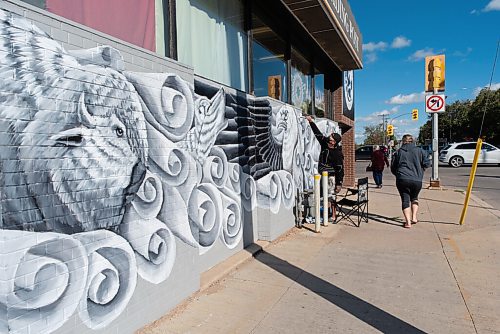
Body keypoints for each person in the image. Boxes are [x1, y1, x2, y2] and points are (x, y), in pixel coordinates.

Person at [306, 115, 344, 222]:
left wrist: (339, 183)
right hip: (321, 174)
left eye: (331, 137)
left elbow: (340, 169)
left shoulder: (337, 153)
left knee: (331, 196)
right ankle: (325, 214)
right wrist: (311, 122)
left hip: (331, 176)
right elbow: (317, 133)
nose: (329, 137)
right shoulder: (325, 144)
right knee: (323, 195)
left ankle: (333, 215)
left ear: (334, 141)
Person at [391, 134, 431, 229]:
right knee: (414, 198)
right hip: (416, 179)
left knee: (405, 200)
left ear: (403, 141)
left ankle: (408, 222)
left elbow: (393, 167)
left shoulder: (398, 152)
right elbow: (427, 163)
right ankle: (414, 217)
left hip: (402, 179)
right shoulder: (420, 151)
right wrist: (421, 170)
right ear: (413, 141)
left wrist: (398, 175)